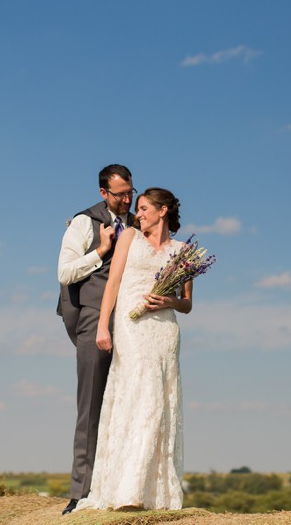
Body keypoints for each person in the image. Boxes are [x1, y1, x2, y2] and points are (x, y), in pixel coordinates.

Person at [76, 187, 191, 511]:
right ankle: (126, 489)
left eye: (143, 209)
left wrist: (169, 301)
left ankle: (150, 492)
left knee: (160, 401)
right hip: (130, 324)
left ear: (162, 210)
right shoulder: (128, 237)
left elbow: (187, 304)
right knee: (140, 395)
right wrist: (103, 326)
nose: (137, 214)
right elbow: (112, 284)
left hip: (164, 330)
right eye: (137, 209)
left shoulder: (183, 251)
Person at [57, 164, 136, 515]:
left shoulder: (138, 223)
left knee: (128, 406)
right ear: (103, 193)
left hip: (132, 323)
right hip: (93, 318)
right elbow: (64, 273)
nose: (127, 200)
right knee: (90, 406)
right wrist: (101, 251)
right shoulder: (82, 223)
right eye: (120, 195)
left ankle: (120, 487)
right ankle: (80, 492)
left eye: (130, 192)